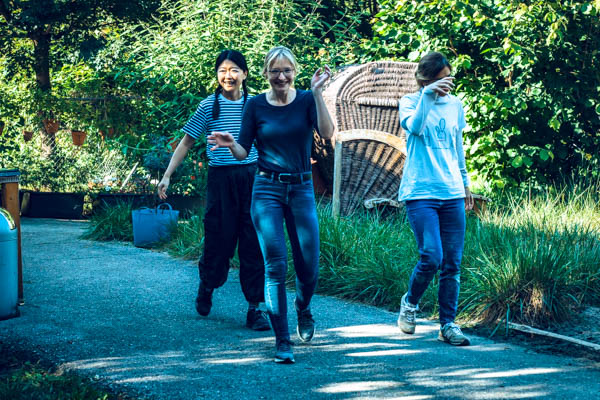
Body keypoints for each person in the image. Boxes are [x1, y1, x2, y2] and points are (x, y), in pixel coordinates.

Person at [208, 46, 334, 363]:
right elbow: (243, 151)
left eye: (286, 70)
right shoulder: (255, 105)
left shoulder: (306, 100)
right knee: (275, 266)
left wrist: (318, 94)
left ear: (295, 72)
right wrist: (231, 143)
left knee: (309, 266)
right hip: (266, 189)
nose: (281, 76)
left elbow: (327, 132)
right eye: (275, 71)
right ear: (265, 73)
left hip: (301, 189)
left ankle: (303, 307)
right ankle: (282, 341)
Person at [157, 49, 270, 332]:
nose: (228, 76)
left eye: (234, 70)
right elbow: (186, 142)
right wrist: (167, 175)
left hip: (252, 179)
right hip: (221, 181)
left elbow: (268, 142)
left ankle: (254, 309)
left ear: (245, 74)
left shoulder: (255, 105)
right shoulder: (208, 106)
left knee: (253, 243)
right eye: (222, 70)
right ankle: (207, 285)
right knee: (218, 239)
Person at [396, 51, 474, 346]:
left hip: (451, 191)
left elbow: (457, 146)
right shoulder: (410, 101)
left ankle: (448, 325)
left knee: (452, 263)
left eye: (449, 79)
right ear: (425, 80)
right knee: (432, 256)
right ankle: (410, 302)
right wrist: (428, 95)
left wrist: (465, 184)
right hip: (420, 191)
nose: (447, 85)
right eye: (441, 80)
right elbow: (415, 128)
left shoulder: (455, 105)